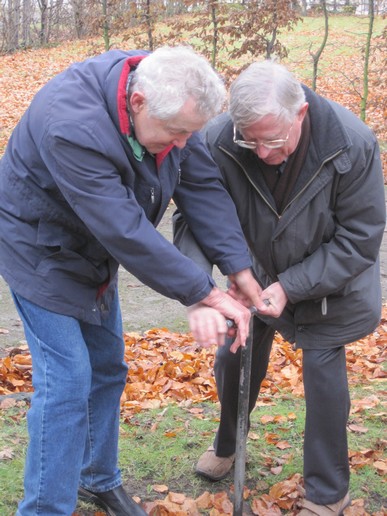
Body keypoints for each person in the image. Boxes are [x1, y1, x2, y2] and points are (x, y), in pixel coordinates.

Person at [0, 46, 270, 516]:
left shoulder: (171, 93)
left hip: (93, 252)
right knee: (67, 381)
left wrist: (238, 269)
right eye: (177, 133)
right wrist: (202, 293)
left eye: (192, 132)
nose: (184, 143)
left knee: (108, 367)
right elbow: (125, 230)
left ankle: (97, 477)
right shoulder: (71, 125)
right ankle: (45, 508)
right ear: (139, 103)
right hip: (38, 249)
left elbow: (201, 185)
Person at [173, 60, 385, 515]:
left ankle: (328, 491)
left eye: (272, 140)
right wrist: (203, 286)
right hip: (250, 274)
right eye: (251, 139)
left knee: (323, 377)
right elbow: (194, 217)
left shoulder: (353, 144)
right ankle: (228, 442)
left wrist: (291, 286)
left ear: (301, 114)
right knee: (233, 356)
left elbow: (359, 239)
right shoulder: (218, 140)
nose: (263, 152)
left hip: (330, 285)